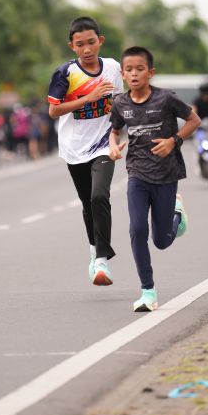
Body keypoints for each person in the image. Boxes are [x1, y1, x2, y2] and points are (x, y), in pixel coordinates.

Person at [109, 46, 200, 312]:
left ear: (150, 72)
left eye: (140, 69)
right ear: (123, 74)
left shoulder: (166, 98)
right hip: (137, 173)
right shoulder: (120, 103)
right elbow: (114, 131)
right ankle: (147, 291)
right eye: (129, 70)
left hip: (166, 174)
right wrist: (113, 146)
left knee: (161, 241)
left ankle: (176, 214)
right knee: (137, 229)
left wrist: (174, 141)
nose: (134, 74)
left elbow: (194, 120)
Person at [48, 16, 123, 286]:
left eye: (91, 42)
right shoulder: (66, 73)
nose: (87, 49)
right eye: (80, 44)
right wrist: (88, 98)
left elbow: (120, 102)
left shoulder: (112, 68)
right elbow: (54, 110)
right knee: (87, 203)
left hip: (103, 144)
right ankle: (94, 249)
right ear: (72, 46)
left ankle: (102, 260)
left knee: (99, 196)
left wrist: (119, 135)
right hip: (74, 147)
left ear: (100, 41)